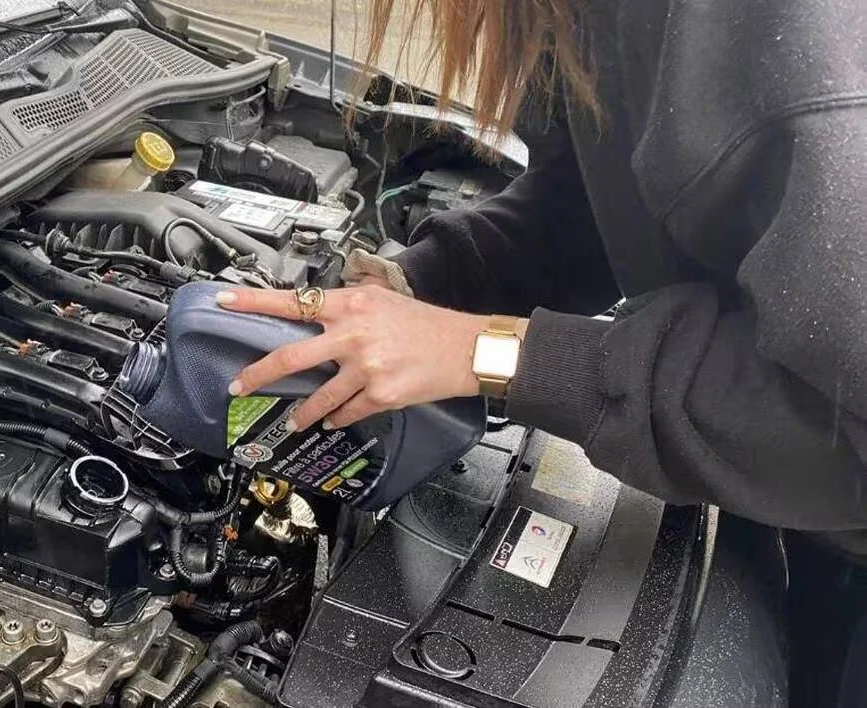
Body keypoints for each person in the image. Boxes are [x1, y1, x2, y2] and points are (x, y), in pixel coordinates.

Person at [215, 0, 867, 704]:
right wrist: (428, 284)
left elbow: (839, 419)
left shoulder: (778, 35)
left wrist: (494, 355)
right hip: (793, 512)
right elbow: (608, 199)